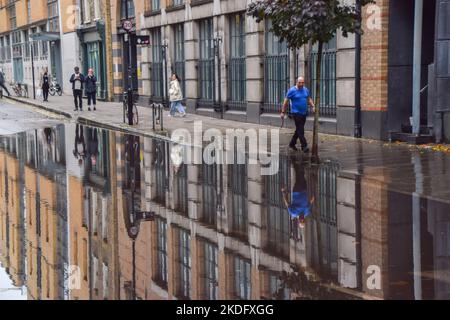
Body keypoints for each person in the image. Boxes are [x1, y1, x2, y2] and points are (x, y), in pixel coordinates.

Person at [281, 77, 315, 153]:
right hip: (296, 113)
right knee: (301, 130)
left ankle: (292, 144)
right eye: (300, 82)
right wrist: (283, 112)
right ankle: (304, 146)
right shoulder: (292, 90)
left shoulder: (305, 90)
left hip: (304, 113)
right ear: (297, 82)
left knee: (299, 129)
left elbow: (309, 99)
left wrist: (313, 106)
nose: (301, 84)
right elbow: (285, 102)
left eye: (303, 82)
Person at [282, 157, 314, 228]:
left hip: (297, 191)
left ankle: (303, 163)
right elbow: (310, 203)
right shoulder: (306, 212)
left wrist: (284, 193)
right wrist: (313, 196)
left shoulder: (293, 213)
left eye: (301, 221)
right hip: (305, 191)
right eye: (303, 221)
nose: (302, 220)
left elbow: (287, 203)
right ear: (305, 220)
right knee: (299, 175)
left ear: (298, 220)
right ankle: (293, 161)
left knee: (301, 176)